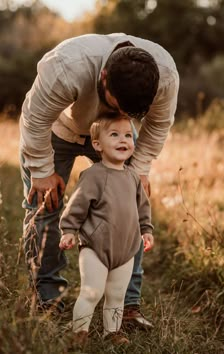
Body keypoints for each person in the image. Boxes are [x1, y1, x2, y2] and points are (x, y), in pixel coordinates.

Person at [19, 33, 179, 328]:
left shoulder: (165, 77)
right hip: (59, 130)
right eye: (115, 106)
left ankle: (126, 306)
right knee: (45, 207)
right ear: (103, 78)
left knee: (127, 209)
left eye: (128, 114)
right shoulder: (68, 66)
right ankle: (47, 298)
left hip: (115, 139)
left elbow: (158, 126)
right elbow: (35, 118)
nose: (118, 115)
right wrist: (41, 170)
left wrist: (140, 168)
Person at [59, 116, 154, 347]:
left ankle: (111, 332)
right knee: (92, 292)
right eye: (114, 135)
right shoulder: (93, 175)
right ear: (97, 144)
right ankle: (78, 332)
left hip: (126, 249)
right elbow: (77, 204)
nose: (123, 140)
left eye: (128, 135)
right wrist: (69, 229)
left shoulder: (132, 176)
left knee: (117, 295)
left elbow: (143, 207)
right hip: (95, 247)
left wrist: (146, 230)